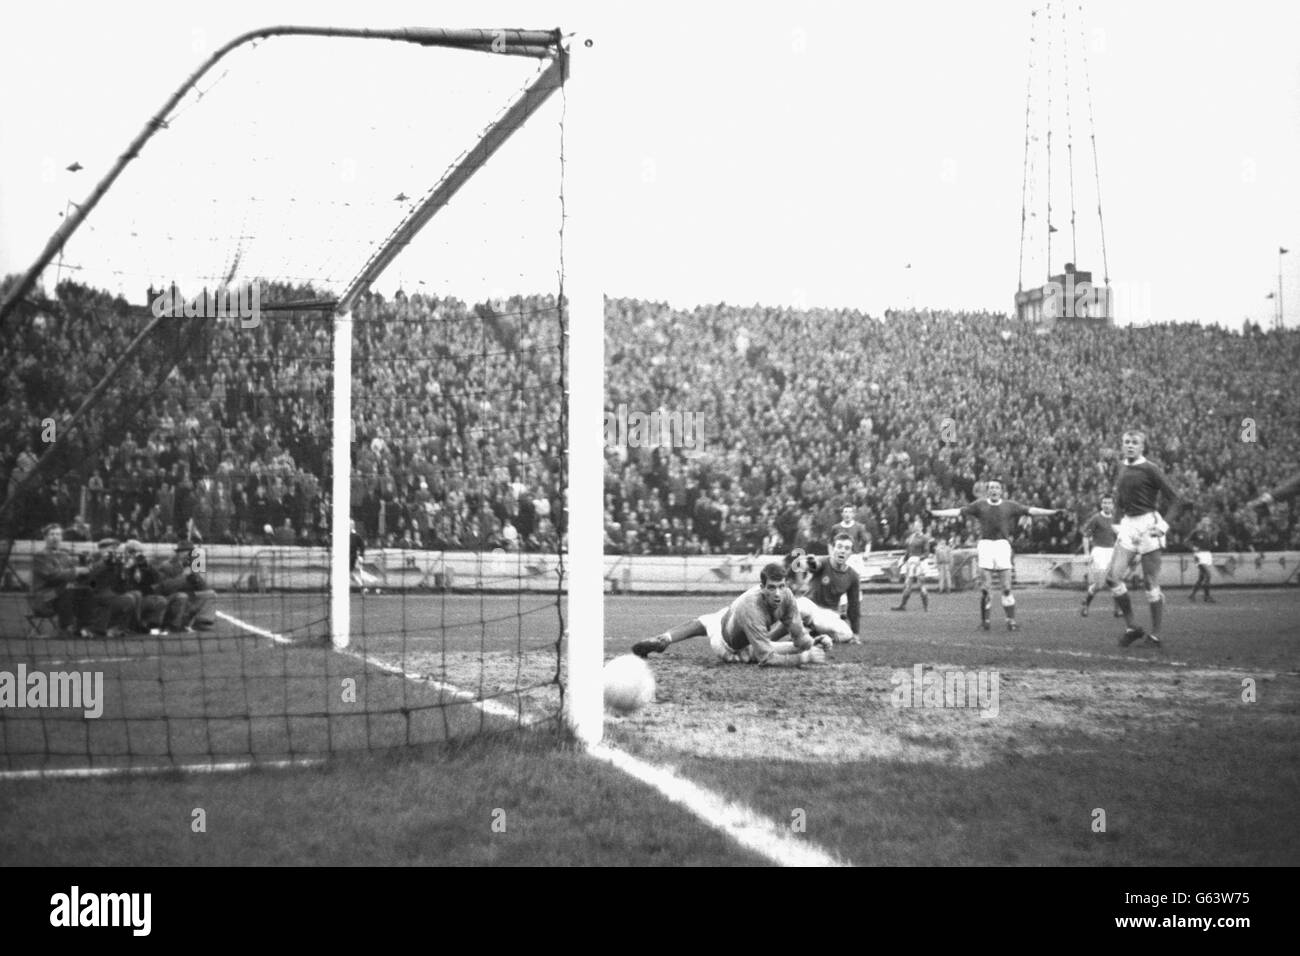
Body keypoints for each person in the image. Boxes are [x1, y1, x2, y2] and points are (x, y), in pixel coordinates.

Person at [631, 562, 828, 667]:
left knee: (705, 620)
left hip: (735, 622)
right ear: (762, 587)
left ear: (786, 585)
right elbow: (766, 659)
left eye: (781, 587)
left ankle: (665, 638)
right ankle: (664, 639)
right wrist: (805, 658)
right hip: (728, 648)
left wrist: (813, 643)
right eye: (772, 588)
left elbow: (799, 637)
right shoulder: (751, 607)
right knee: (711, 624)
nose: (778, 593)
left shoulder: (787, 596)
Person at [930, 479, 1063, 631]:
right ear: (988, 491)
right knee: (986, 588)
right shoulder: (979, 505)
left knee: (1006, 587)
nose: (994, 490)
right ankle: (985, 622)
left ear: (1001, 491)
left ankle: (1010, 621)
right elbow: (957, 511)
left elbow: (1031, 510)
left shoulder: (1009, 505)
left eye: (997, 487)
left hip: (1002, 546)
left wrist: (1052, 512)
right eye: (991, 487)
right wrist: (935, 513)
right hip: (986, 545)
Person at [1105, 430, 1185, 648]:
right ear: (1122, 445)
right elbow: (1119, 499)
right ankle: (1132, 627)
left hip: (1148, 525)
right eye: (1126, 442)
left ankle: (1156, 635)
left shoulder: (1151, 469)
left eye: (1134, 442)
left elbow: (1177, 500)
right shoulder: (1121, 467)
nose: (1130, 445)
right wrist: (1116, 521)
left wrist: (1163, 526)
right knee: (1112, 578)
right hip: (1129, 526)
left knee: (1149, 582)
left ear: (1142, 447)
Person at [787, 533, 861, 643]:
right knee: (796, 607)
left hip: (827, 614)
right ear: (832, 548)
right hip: (809, 605)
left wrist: (855, 633)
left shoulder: (853, 576)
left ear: (851, 553)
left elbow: (854, 605)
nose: (842, 551)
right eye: (839, 547)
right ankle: (771, 637)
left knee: (847, 634)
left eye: (847, 548)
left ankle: (814, 637)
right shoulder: (824, 561)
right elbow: (814, 565)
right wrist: (810, 562)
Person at [30, 523, 91, 636]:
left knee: (86, 590)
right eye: (52, 534)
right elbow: (53, 576)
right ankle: (65, 628)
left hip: (59, 592)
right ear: (45, 537)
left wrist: (86, 564)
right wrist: (76, 571)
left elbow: (75, 571)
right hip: (44, 597)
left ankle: (82, 627)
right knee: (67, 590)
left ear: (62, 537)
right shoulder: (40, 556)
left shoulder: (64, 555)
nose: (55, 537)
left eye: (58, 534)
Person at [156, 539, 217, 631]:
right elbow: (165, 587)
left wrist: (195, 577)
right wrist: (184, 576)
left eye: (190, 552)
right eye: (185, 552)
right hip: (172, 599)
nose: (188, 554)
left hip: (189, 597)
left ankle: (202, 621)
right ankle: (174, 623)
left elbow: (203, 587)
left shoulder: (193, 565)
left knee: (210, 594)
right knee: (182, 596)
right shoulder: (166, 566)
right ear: (179, 553)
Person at [1079, 494, 1121, 617]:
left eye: (1109, 503)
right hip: (1099, 552)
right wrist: (1086, 553)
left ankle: (1117, 610)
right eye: (1104, 503)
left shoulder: (1116, 520)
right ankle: (1086, 603)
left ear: (1113, 505)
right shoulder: (1096, 519)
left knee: (1116, 582)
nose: (1107, 505)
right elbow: (1085, 536)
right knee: (1100, 585)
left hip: (1112, 552)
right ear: (1101, 504)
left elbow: (1120, 538)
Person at [891, 517, 934, 612]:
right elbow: (908, 551)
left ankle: (926, 607)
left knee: (921, 584)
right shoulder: (911, 537)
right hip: (911, 562)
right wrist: (903, 561)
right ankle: (903, 605)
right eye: (915, 526)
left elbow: (927, 552)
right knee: (907, 584)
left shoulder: (924, 538)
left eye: (918, 526)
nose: (916, 528)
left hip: (920, 563)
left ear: (922, 527)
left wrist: (920, 559)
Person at [1187, 519, 1216, 603]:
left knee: (1202, 577)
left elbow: (1211, 544)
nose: (1206, 522)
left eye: (1208, 521)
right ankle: (1207, 597)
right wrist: (1193, 547)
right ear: (1202, 522)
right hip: (1199, 555)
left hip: (1207, 554)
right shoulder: (1196, 532)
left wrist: (1214, 544)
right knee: (1208, 575)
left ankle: (1192, 595)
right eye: (1205, 521)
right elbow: (1187, 541)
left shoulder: (1210, 532)